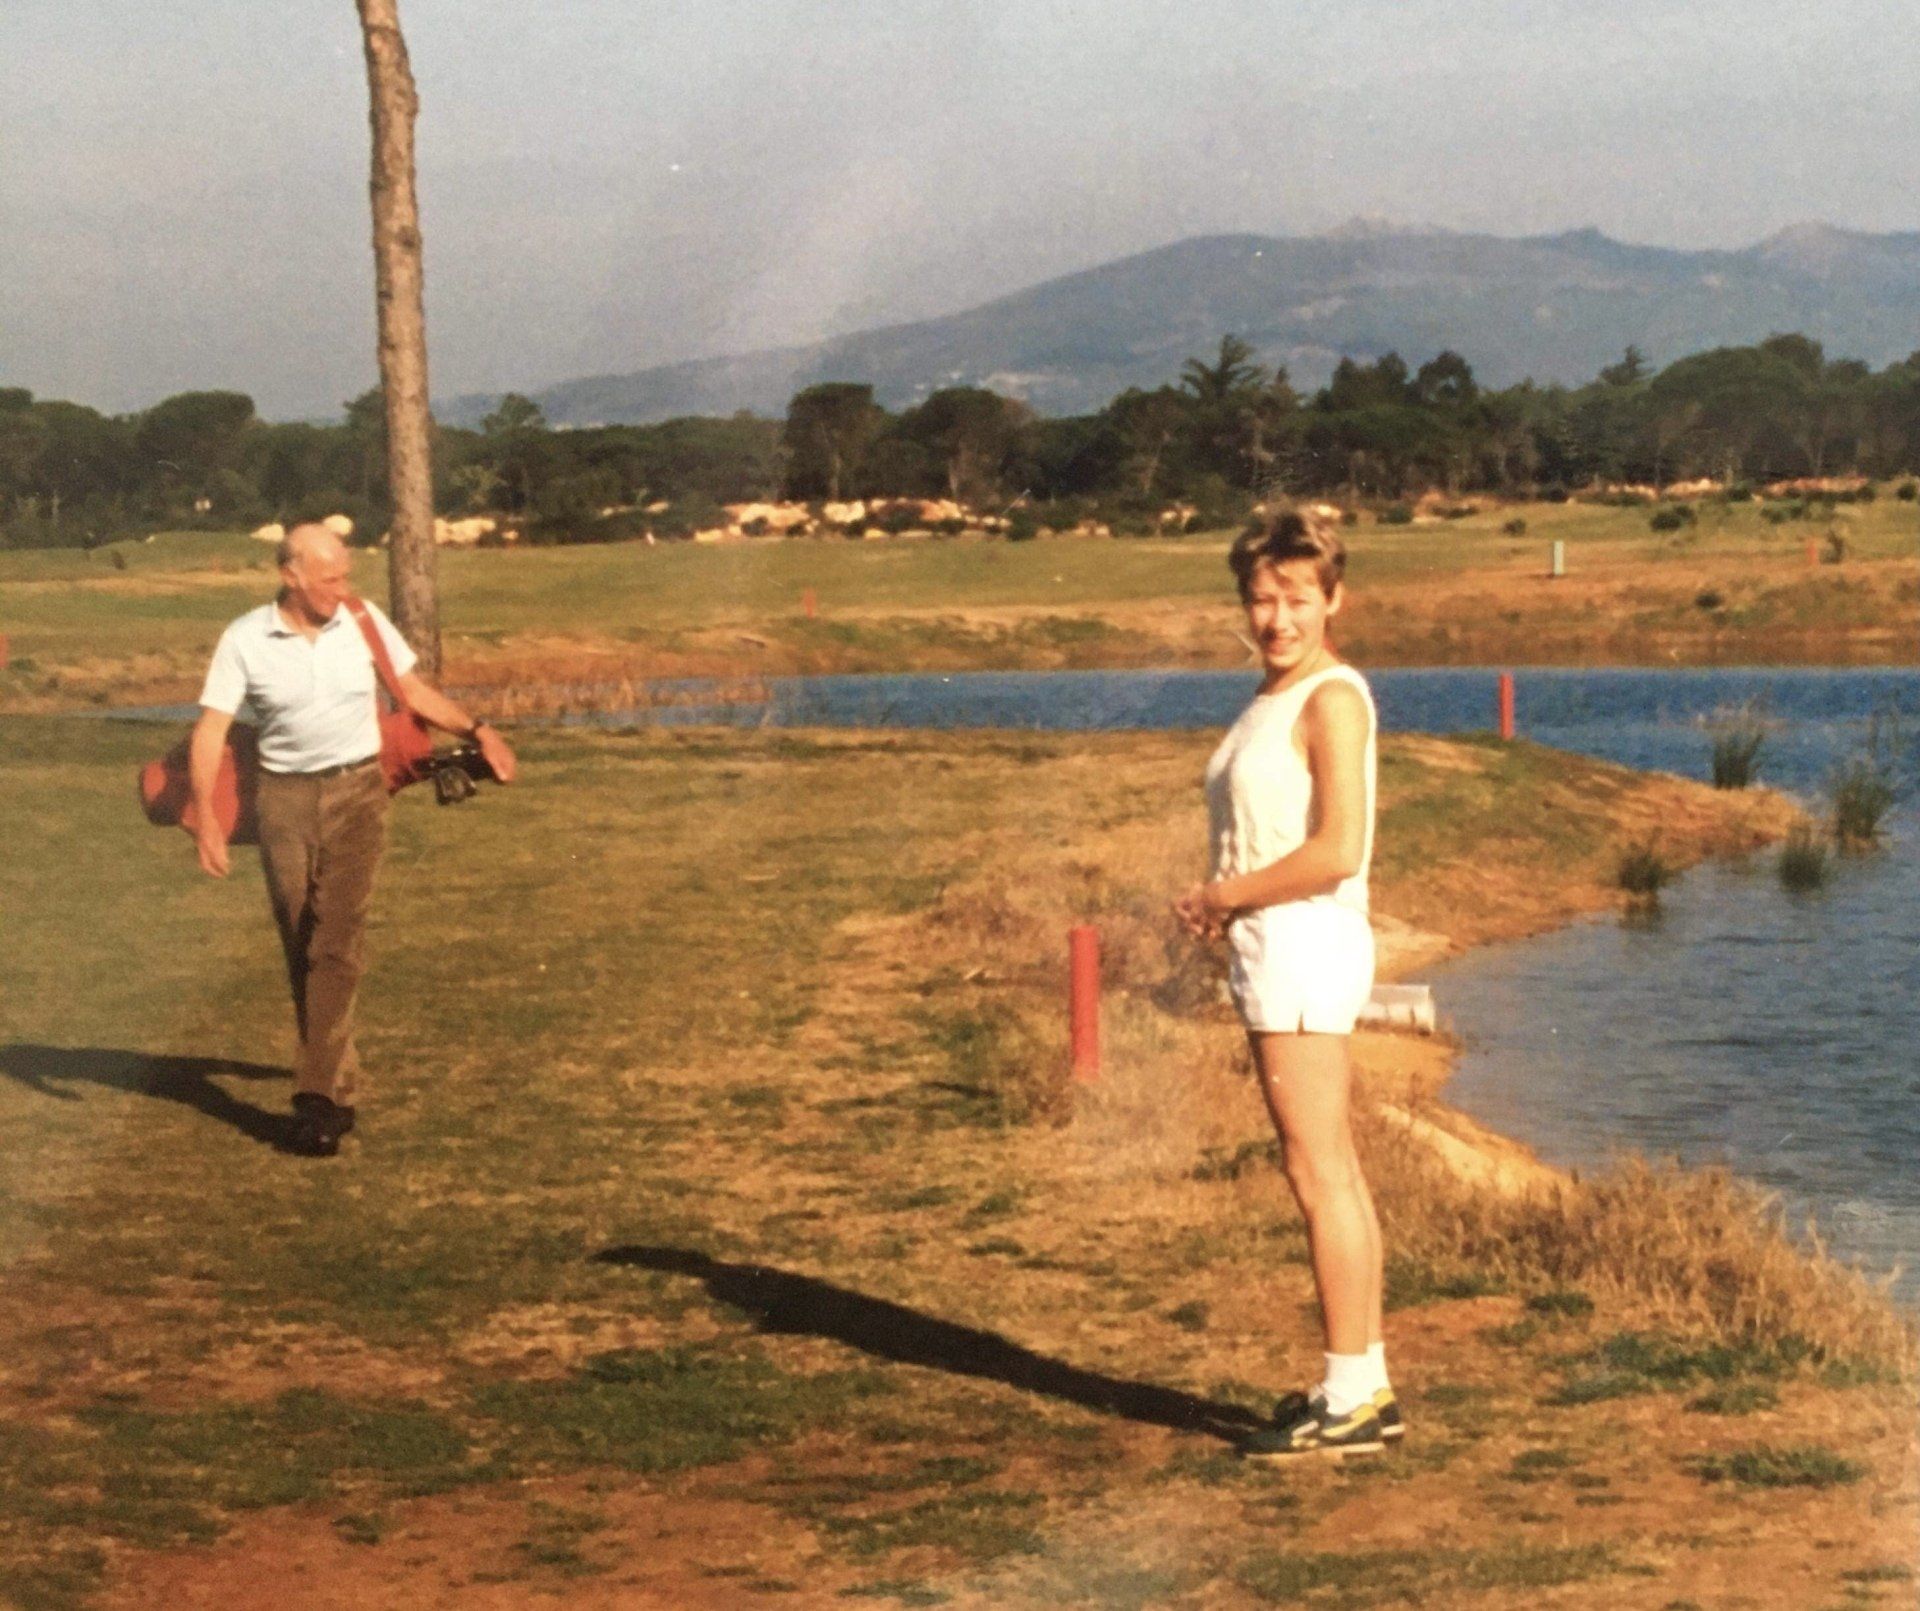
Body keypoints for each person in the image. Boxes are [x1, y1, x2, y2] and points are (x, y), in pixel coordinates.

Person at [1175, 507, 1395, 1460]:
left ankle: (1351, 1398)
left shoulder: (1332, 698)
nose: (1278, 618)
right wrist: (1226, 903)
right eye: (1262, 599)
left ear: (1333, 599)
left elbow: (1339, 848)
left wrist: (1224, 894)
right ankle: (1361, 1385)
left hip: (1305, 944)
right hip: (1273, 944)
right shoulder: (1272, 694)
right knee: (1325, 1164)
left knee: (1318, 1169)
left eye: (1298, 598)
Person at [189, 521, 517, 1156]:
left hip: (359, 794)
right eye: (328, 579)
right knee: (303, 941)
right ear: (290, 576)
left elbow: (412, 691)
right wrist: (206, 817)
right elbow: (210, 731)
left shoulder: (362, 620)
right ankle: (337, 1082)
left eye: (345, 576)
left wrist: (479, 730)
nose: (342, 589)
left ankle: (315, 1100)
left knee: (335, 940)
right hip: (283, 800)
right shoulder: (245, 638)